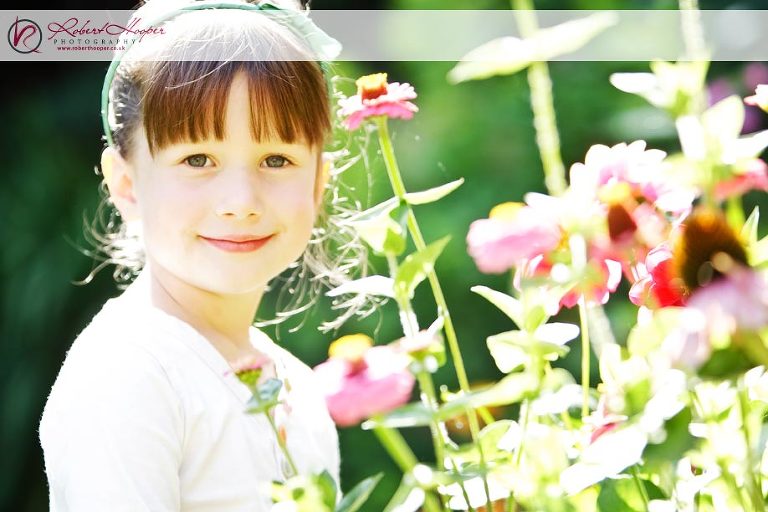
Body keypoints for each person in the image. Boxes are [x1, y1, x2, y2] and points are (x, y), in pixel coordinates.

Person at [38, 0, 356, 509]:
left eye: (277, 159)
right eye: (198, 159)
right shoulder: (130, 373)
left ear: (319, 181)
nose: (241, 202)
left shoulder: (293, 380)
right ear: (127, 183)